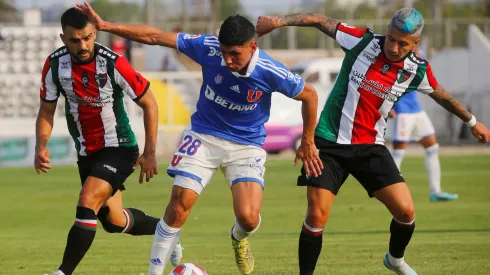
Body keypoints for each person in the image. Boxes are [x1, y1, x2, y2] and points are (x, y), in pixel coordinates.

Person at [76, 3, 323, 275]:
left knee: (249, 218)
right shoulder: (208, 48)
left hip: (246, 144)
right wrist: (108, 26)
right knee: (179, 203)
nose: (227, 60)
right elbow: (156, 37)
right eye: (224, 52)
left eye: (234, 54)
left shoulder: (270, 71)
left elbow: (309, 95)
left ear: (252, 47)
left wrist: (308, 141)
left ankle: (239, 238)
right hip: (204, 135)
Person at [256, 8, 490, 275]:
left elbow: (442, 96)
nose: (393, 46)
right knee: (316, 215)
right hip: (329, 144)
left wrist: (472, 122)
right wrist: (277, 22)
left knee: (405, 212)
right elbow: (319, 20)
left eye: (402, 43)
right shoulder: (363, 41)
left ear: (415, 43)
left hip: (370, 147)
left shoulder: (417, 71)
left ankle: (395, 260)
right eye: (391, 38)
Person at [35, 8, 165, 275]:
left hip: (120, 148)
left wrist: (150, 152)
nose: (82, 46)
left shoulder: (113, 62)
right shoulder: (55, 65)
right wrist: (41, 145)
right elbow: (46, 111)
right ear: (63, 38)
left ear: (94, 33)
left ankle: (62, 273)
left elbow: (150, 104)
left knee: (87, 200)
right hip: (87, 152)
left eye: (86, 38)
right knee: (113, 221)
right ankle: (168, 231)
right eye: (74, 40)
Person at [389, 45, 458, 202]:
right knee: (398, 152)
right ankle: (389, 190)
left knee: (432, 147)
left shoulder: (417, 58)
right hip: (403, 112)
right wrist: (390, 107)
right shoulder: (395, 59)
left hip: (417, 110)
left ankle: (436, 191)